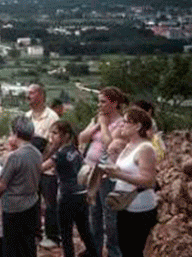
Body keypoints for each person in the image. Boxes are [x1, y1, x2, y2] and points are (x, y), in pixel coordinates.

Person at [100, 107, 158, 257]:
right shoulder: (129, 145)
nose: (121, 125)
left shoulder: (145, 148)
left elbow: (149, 181)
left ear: (138, 126)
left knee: (133, 251)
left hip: (140, 208)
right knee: (125, 249)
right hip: (125, 205)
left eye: (126, 122)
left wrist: (118, 174)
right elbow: (126, 171)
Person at [78, 86, 128, 257]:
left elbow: (110, 144)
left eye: (103, 102)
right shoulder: (98, 119)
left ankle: (114, 252)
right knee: (94, 215)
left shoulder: (122, 123)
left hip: (107, 175)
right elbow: (81, 138)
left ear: (114, 104)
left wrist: (104, 126)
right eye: (98, 101)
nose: (99, 105)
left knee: (110, 217)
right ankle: (96, 251)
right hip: (92, 173)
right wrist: (96, 126)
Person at [42, 121, 98, 257]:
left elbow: (42, 168)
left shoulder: (59, 154)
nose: (52, 136)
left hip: (67, 196)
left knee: (66, 233)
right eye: (51, 133)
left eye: (55, 133)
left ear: (65, 135)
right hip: (81, 194)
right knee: (84, 230)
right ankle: (94, 253)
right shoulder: (75, 149)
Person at [0, 116, 41, 257]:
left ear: (15, 133)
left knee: (12, 246)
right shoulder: (37, 154)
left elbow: (2, 184)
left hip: (13, 207)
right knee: (28, 244)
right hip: (32, 203)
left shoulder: (15, 157)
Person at [25, 83, 60, 250]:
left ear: (40, 95)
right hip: (31, 166)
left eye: (31, 93)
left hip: (48, 167)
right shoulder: (26, 116)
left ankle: (53, 236)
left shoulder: (52, 117)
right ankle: (35, 233)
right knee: (33, 200)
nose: (28, 96)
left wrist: (41, 161)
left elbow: (55, 143)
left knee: (50, 201)